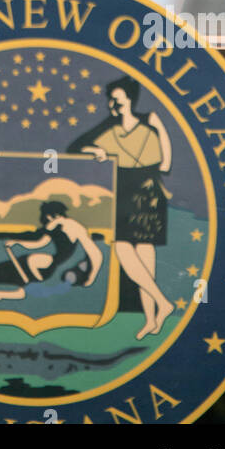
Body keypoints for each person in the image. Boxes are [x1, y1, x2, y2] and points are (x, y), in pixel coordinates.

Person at [75, 77, 173, 340]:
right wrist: (97, 151)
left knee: (140, 258)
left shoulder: (148, 126)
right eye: (111, 99)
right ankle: (153, 317)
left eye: (117, 99)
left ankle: (158, 310)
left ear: (129, 100)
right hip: (124, 196)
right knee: (137, 260)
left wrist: (160, 127)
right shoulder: (111, 131)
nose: (112, 104)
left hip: (148, 195)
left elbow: (165, 165)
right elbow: (77, 146)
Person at [0, 199, 102, 301]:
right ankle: (27, 289)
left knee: (34, 262)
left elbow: (95, 254)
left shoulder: (74, 226)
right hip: (56, 260)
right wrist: (17, 242)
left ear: (55, 216)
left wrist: (91, 277)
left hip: (69, 266)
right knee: (31, 260)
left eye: (49, 218)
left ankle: (26, 290)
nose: (47, 222)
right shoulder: (54, 227)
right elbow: (40, 243)